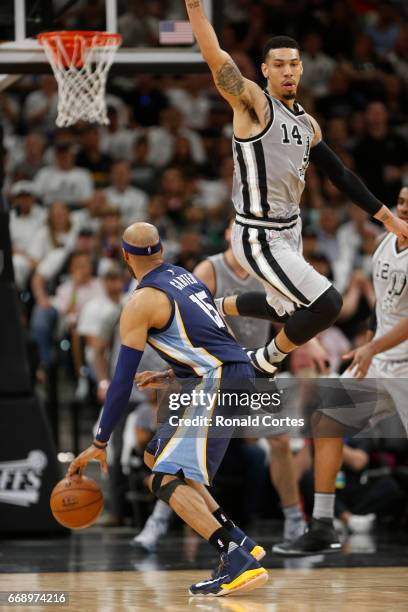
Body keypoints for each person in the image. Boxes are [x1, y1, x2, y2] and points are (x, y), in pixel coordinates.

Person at [184, 0, 408, 554]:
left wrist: (386, 215)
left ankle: (227, 308)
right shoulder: (252, 102)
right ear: (263, 70)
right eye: (278, 63)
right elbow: (215, 58)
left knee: (296, 315)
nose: (287, 69)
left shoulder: (306, 122)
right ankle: (261, 364)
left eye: (294, 63)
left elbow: (339, 173)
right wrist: (194, 8)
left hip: (291, 233)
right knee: (329, 305)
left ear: (302, 69)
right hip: (257, 232)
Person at [67, 222, 268, 597]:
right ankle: (240, 540)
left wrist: (99, 440)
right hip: (233, 374)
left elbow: (121, 380)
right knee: (155, 454)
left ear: (126, 257)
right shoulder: (185, 278)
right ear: (159, 250)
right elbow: (215, 339)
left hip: (216, 382)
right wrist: (170, 373)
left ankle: (234, 557)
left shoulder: (140, 302)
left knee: (162, 479)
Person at [132, 219, 311, 552]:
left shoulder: (267, 272)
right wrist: (173, 374)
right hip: (213, 372)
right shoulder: (208, 270)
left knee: (281, 440)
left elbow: (296, 315)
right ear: (230, 234)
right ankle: (158, 521)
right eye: (237, 231)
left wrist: (310, 345)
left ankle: (293, 520)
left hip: (255, 371)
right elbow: (190, 329)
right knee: (173, 454)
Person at [278, 185, 408, 556]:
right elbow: (382, 308)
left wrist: (371, 346)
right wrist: (370, 342)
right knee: (326, 419)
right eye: (400, 203)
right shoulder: (385, 243)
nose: (403, 210)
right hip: (380, 361)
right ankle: (322, 524)